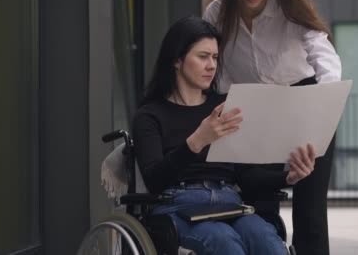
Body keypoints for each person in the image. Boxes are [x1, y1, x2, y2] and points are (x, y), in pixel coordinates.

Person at [203, 0, 342, 255]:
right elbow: (215, 68)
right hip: (252, 108)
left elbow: (324, 55)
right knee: (256, 203)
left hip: (304, 103)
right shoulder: (217, 12)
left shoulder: (289, 7)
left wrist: (324, 104)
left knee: (309, 210)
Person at [132, 16, 316, 255]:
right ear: (177, 60)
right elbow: (155, 180)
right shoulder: (150, 115)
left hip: (229, 203)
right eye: (203, 56)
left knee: (269, 243)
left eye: (215, 57)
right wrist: (197, 141)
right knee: (226, 244)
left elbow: (245, 175)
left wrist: (288, 178)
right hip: (176, 205)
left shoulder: (224, 107)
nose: (211, 65)